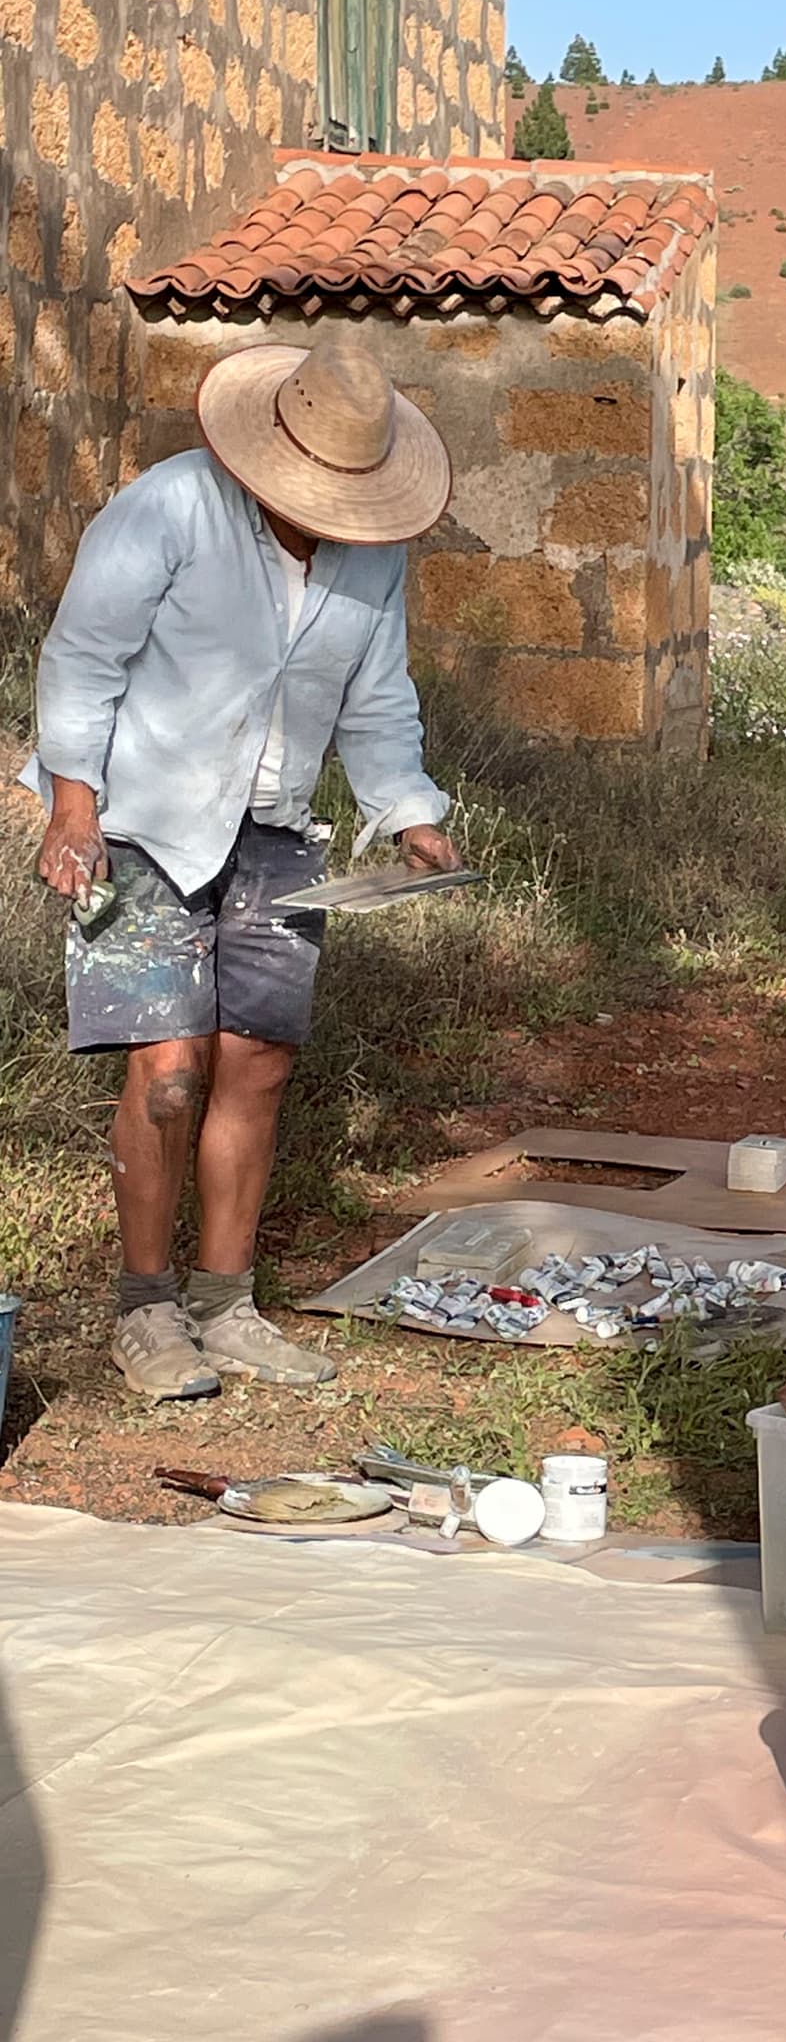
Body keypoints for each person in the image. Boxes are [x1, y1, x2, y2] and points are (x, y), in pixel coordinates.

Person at [22, 335, 462, 1403]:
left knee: (255, 1065)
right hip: (138, 824)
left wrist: (409, 812)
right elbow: (83, 655)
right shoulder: (170, 508)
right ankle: (147, 1310)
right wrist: (72, 804)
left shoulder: (372, 551)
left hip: (273, 831)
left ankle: (227, 1305)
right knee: (168, 1075)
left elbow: (375, 694)